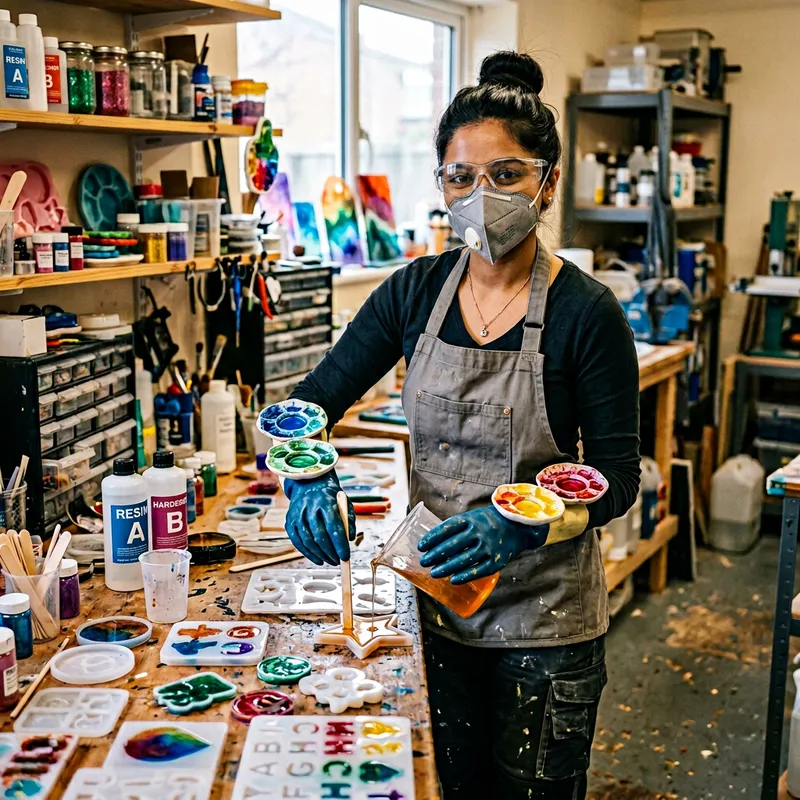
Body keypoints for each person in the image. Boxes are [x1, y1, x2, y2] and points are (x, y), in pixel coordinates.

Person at [284, 50, 640, 800]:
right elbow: (312, 402)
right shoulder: (414, 292)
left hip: (544, 626)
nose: (482, 196)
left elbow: (617, 481)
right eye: (461, 177)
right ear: (442, 184)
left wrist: (521, 526)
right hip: (436, 608)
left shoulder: (587, 313)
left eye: (505, 174)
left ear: (547, 182)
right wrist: (308, 478)